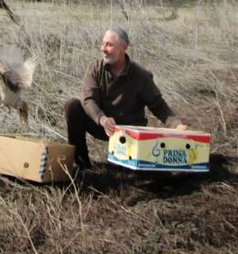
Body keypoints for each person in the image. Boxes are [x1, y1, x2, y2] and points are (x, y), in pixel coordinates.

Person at [64, 26, 188, 170]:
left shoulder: (141, 75)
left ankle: (126, 161)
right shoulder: (95, 68)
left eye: (109, 45)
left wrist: (177, 125)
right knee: (72, 106)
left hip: (130, 131)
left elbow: (158, 105)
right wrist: (102, 119)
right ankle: (81, 165)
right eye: (103, 43)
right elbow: (88, 99)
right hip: (103, 125)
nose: (103, 49)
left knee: (131, 174)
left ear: (124, 47)